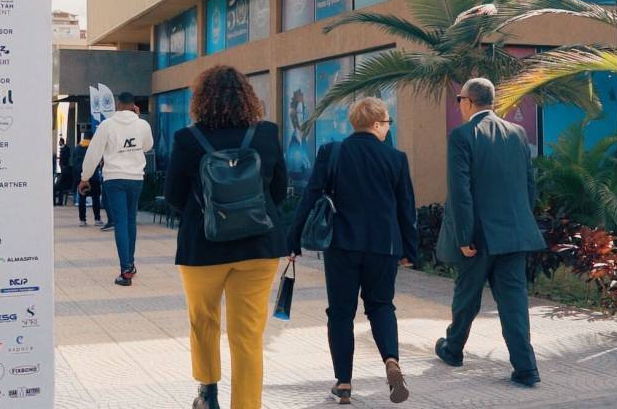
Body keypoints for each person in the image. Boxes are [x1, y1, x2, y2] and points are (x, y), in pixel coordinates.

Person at [164, 66, 288, 409]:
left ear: (201, 99)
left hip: (203, 247)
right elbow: (279, 190)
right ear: (247, 96)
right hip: (259, 246)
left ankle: (208, 394)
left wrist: (208, 213)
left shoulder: (187, 139)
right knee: (247, 335)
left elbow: (173, 195)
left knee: (203, 321)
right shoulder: (266, 134)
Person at [288, 97, 418, 405]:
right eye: (387, 123)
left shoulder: (332, 152)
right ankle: (391, 360)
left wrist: (292, 238)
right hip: (384, 246)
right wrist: (410, 250)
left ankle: (344, 383)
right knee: (381, 306)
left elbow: (310, 196)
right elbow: (406, 209)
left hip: (342, 245)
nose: (388, 129)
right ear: (376, 124)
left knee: (341, 313)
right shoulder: (396, 158)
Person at [434, 78, 545, 387]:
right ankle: (526, 368)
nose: (459, 105)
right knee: (514, 303)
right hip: (514, 235)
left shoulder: (462, 135)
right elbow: (529, 185)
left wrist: (465, 236)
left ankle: (453, 349)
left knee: (467, 296)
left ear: (469, 102)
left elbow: (461, 191)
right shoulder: (517, 133)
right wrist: (520, 223)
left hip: (480, 237)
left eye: (459, 99)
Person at [79, 92, 153, 286]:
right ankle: (131, 264)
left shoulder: (107, 125)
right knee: (130, 221)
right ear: (134, 106)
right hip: (136, 178)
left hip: (114, 179)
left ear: (118, 104)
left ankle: (125, 270)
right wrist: (138, 119)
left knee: (120, 222)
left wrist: (85, 178)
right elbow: (147, 146)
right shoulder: (142, 125)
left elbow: (94, 153)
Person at [72, 131, 102, 226]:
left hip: (81, 178)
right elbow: (98, 162)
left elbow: (73, 163)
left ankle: (82, 220)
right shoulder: (94, 148)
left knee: (82, 199)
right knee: (95, 198)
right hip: (93, 177)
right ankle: (97, 219)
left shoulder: (76, 149)